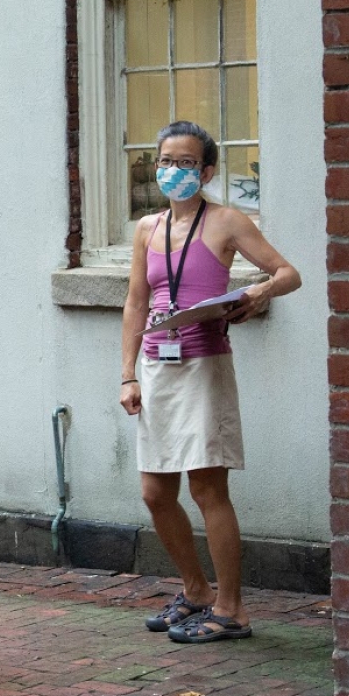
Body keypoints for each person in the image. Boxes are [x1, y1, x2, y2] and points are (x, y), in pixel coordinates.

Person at [118, 121, 301, 643]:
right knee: (155, 492)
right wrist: (127, 374)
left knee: (206, 487)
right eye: (166, 161)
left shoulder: (226, 221)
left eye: (186, 163)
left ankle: (232, 608)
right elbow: (135, 303)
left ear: (208, 171)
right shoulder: (147, 228)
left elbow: (289, 273)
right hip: (157, 367)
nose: (174, 171)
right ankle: (195, 590)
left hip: (204, 366)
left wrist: (256, 295)